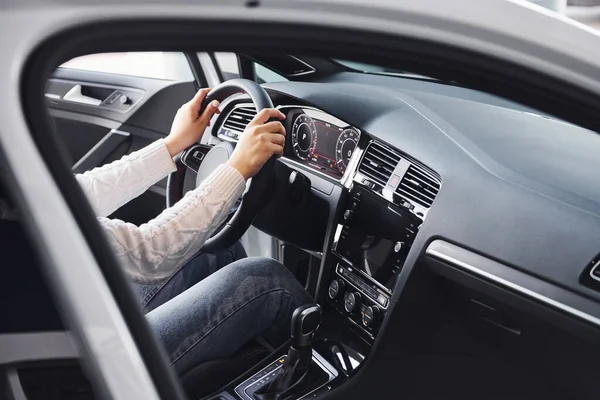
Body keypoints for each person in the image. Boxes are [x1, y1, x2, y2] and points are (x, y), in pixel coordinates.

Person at [75, 88, 312, 375]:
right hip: (85, 370)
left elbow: (73, 194)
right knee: (271, 283)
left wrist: (172, 144)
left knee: (216, 250)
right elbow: (151, 254)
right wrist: (237, 168)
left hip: (80, 326)